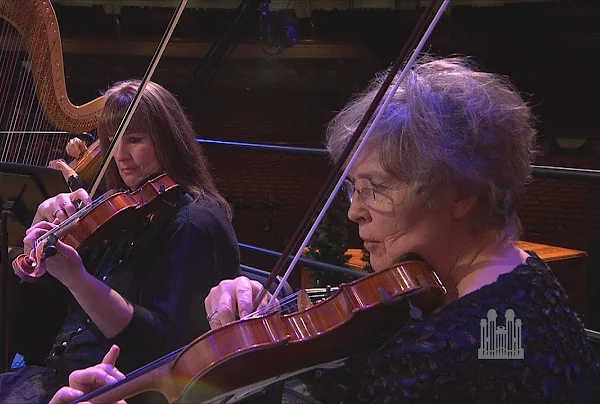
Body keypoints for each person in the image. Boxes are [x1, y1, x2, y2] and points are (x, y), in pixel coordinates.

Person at [49, 56, 600, 404]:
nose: (355, 213)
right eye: (353, 189)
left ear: (462, 193)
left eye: (376, 189)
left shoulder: (437, 362)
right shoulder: (524, 288)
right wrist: (279, 302)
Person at [0, 79, 241, 404]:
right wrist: (39, 247)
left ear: (169, 140)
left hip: (111, 392)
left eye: (135, 140)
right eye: (113, 142)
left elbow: (166, 347)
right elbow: (37, 313)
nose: (121, 156)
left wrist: (78, 279)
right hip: (56, 376)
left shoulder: (195, 222)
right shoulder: (123, 211)